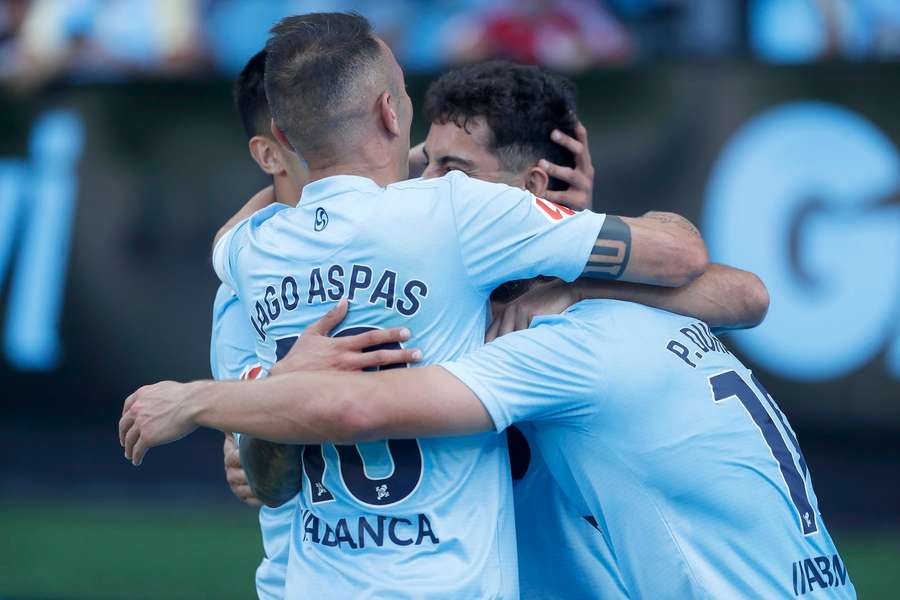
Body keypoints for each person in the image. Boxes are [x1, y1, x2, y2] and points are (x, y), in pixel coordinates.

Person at [191, 11, 707, 598]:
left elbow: (228, 241)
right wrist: (575, 234)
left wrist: (348, 147)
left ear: (281, 142)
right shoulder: (458, 214)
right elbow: (682, 255)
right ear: (390, 111)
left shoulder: (251, 251)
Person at [120, 293, 855, 598]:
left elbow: (352, 406)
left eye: (451, 171)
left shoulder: (557, 355)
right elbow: (745, 292)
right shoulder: (641, 314)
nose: (430, 189)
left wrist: (208, 401)